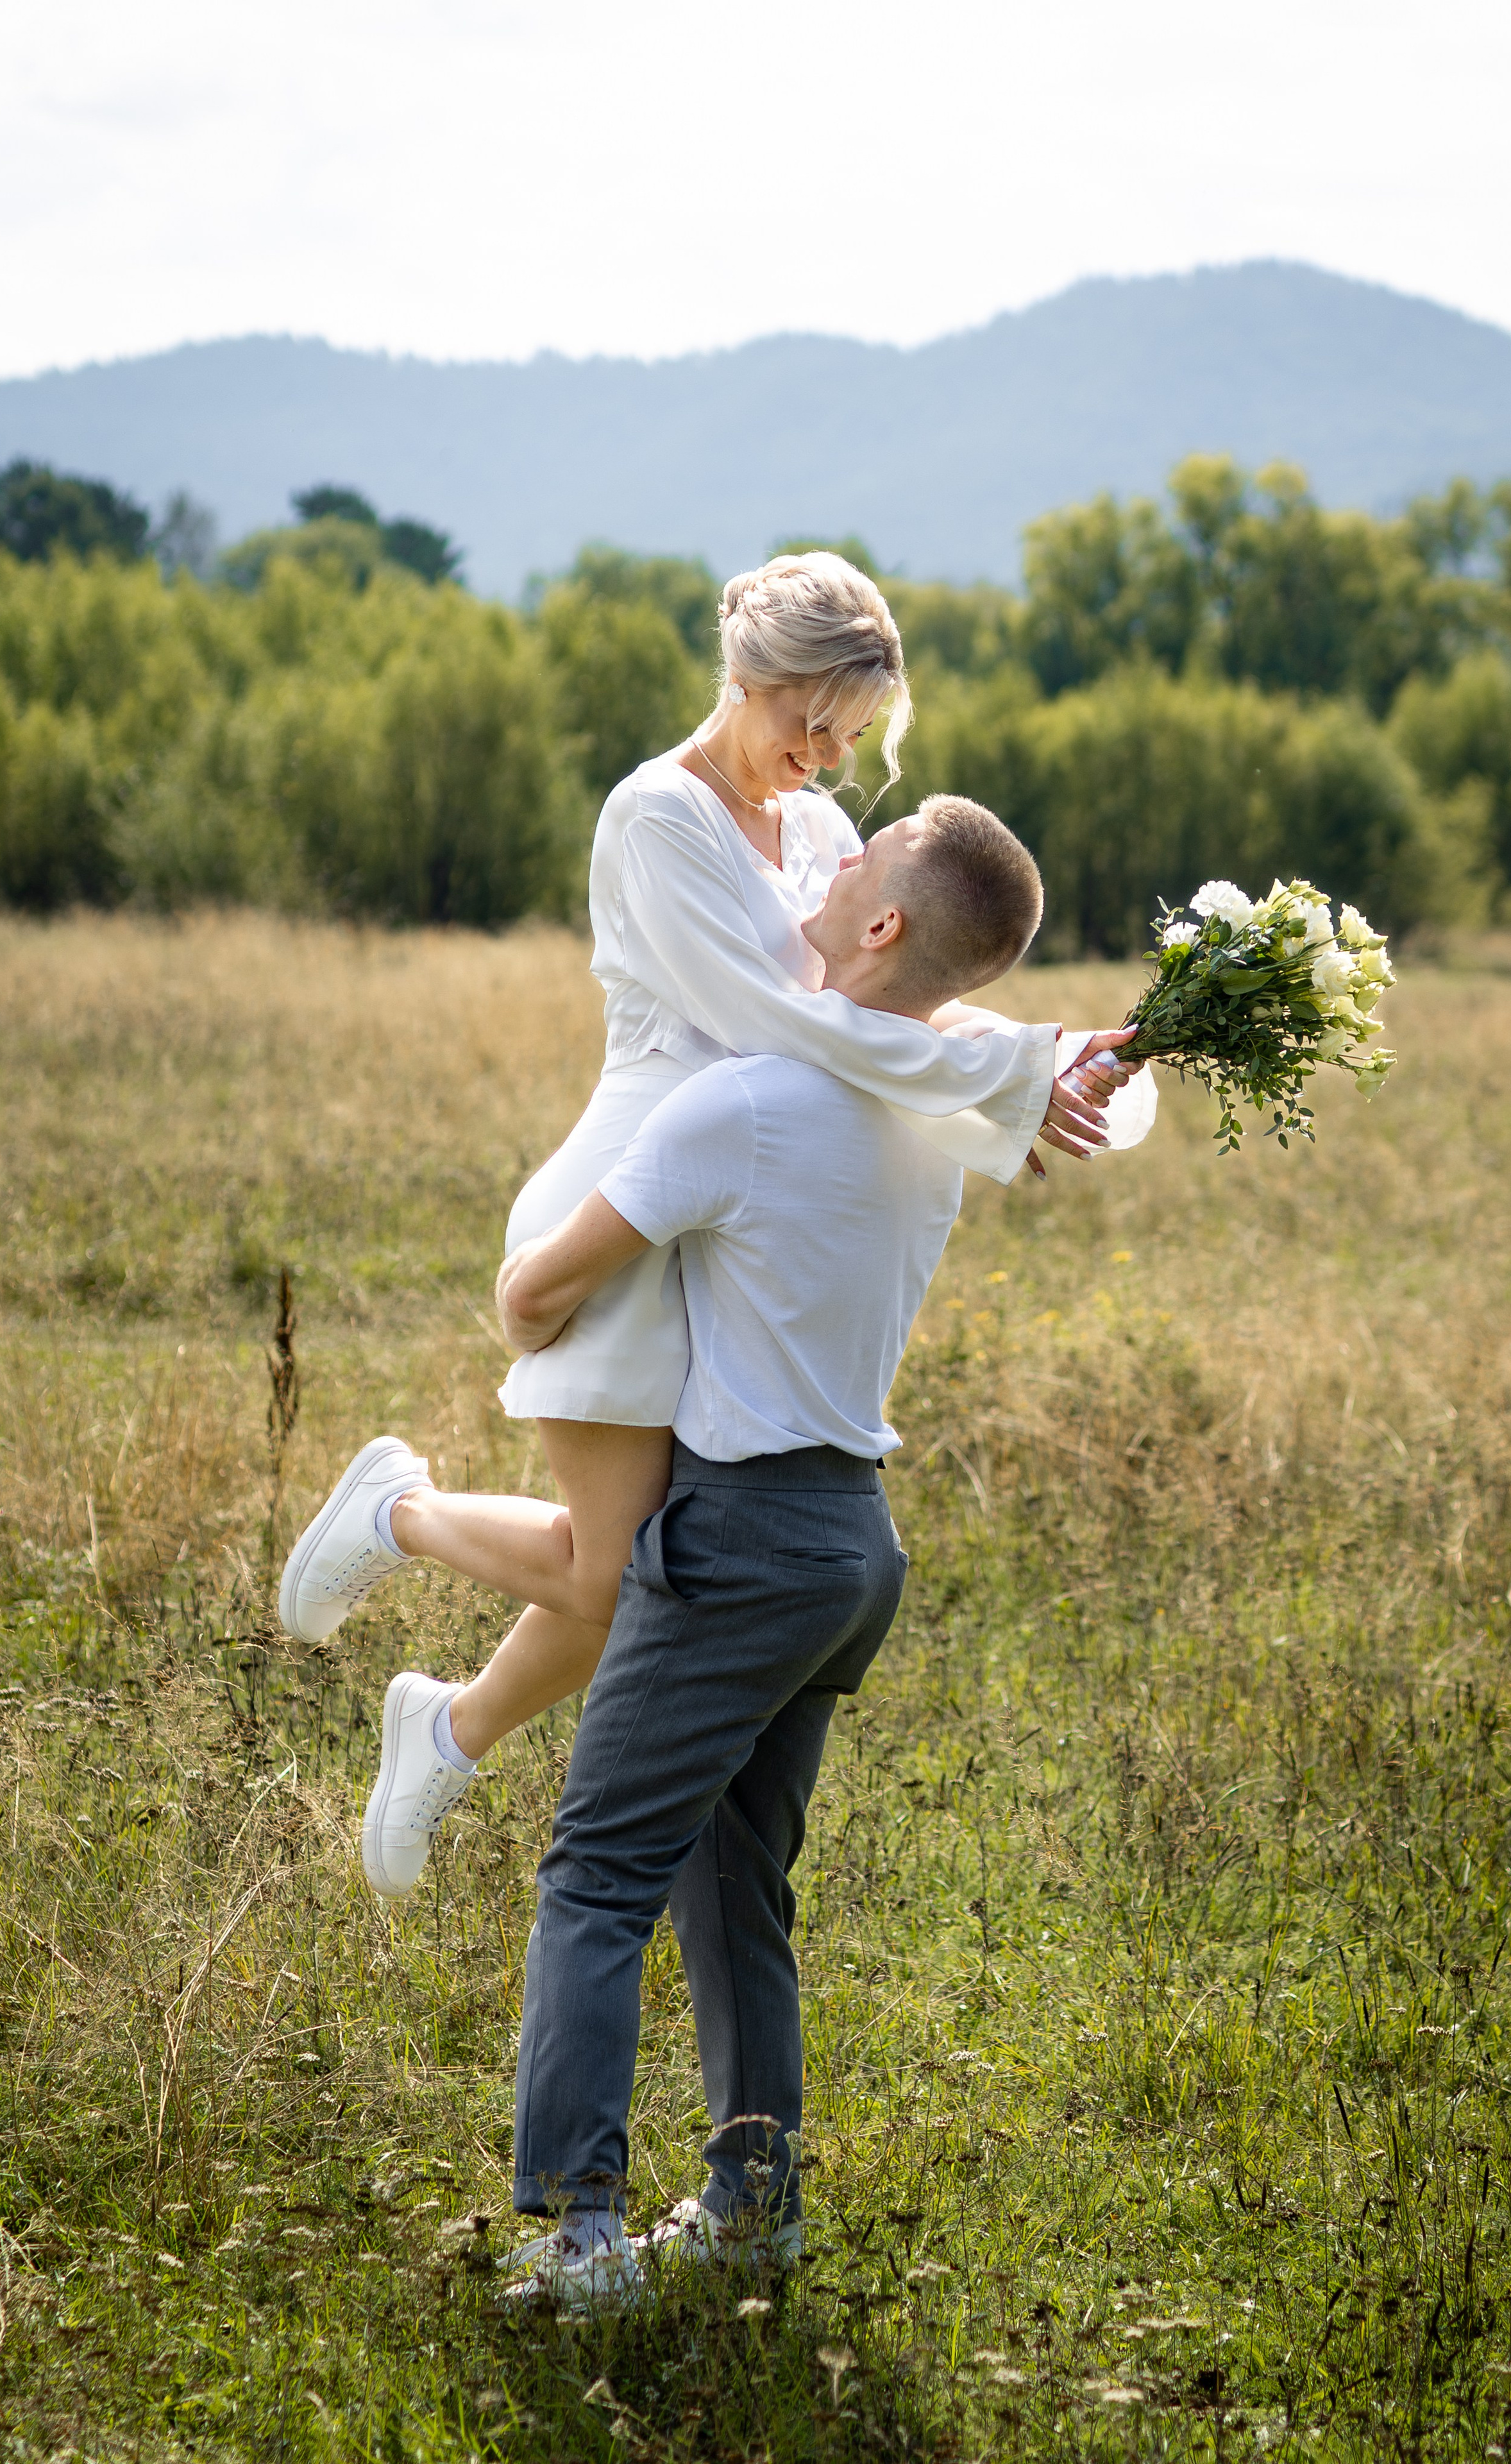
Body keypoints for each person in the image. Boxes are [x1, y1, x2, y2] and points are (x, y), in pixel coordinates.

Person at [276, 554, 1150, 1887]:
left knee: (642, 1573)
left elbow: (879, 999)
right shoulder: (656, 817)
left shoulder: (818, 830)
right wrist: (1008, 1075)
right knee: (616, 1576)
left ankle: (444, 1726)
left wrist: (1040, 1061)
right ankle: (405, 1520)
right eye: (813, 722)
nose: (829, 756)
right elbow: (774, 1021)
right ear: (746, 676)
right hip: (634, 1191)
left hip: (737, 1220)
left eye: (853, 735)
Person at [434, 797, 1099, 2304]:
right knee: (735, 1881)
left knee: (597, 1870)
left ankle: (580, 2231)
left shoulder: (737, 1106)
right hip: (852, 1545)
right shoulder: (931, 1123)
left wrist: (557, 1302)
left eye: (868, 848)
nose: (836, 848)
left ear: (881, 921)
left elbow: (531, 1296)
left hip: (736, 1540)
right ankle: (751, 2211)